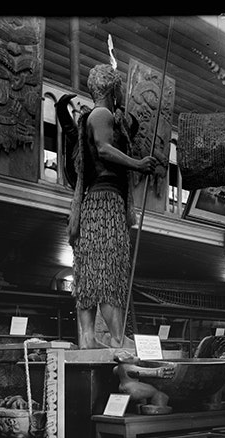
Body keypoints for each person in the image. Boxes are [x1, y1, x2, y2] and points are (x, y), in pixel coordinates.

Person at [68, 64, 158, 349]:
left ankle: (89, 343)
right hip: (105, 204)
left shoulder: (94, 116)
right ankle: (118, 342)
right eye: (119, 88)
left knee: (91, 277)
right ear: (112, 88)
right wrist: (138, 164)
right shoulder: (101, 113)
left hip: (95, 204)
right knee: (108, 273)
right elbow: (104, 148)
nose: (121, 93)